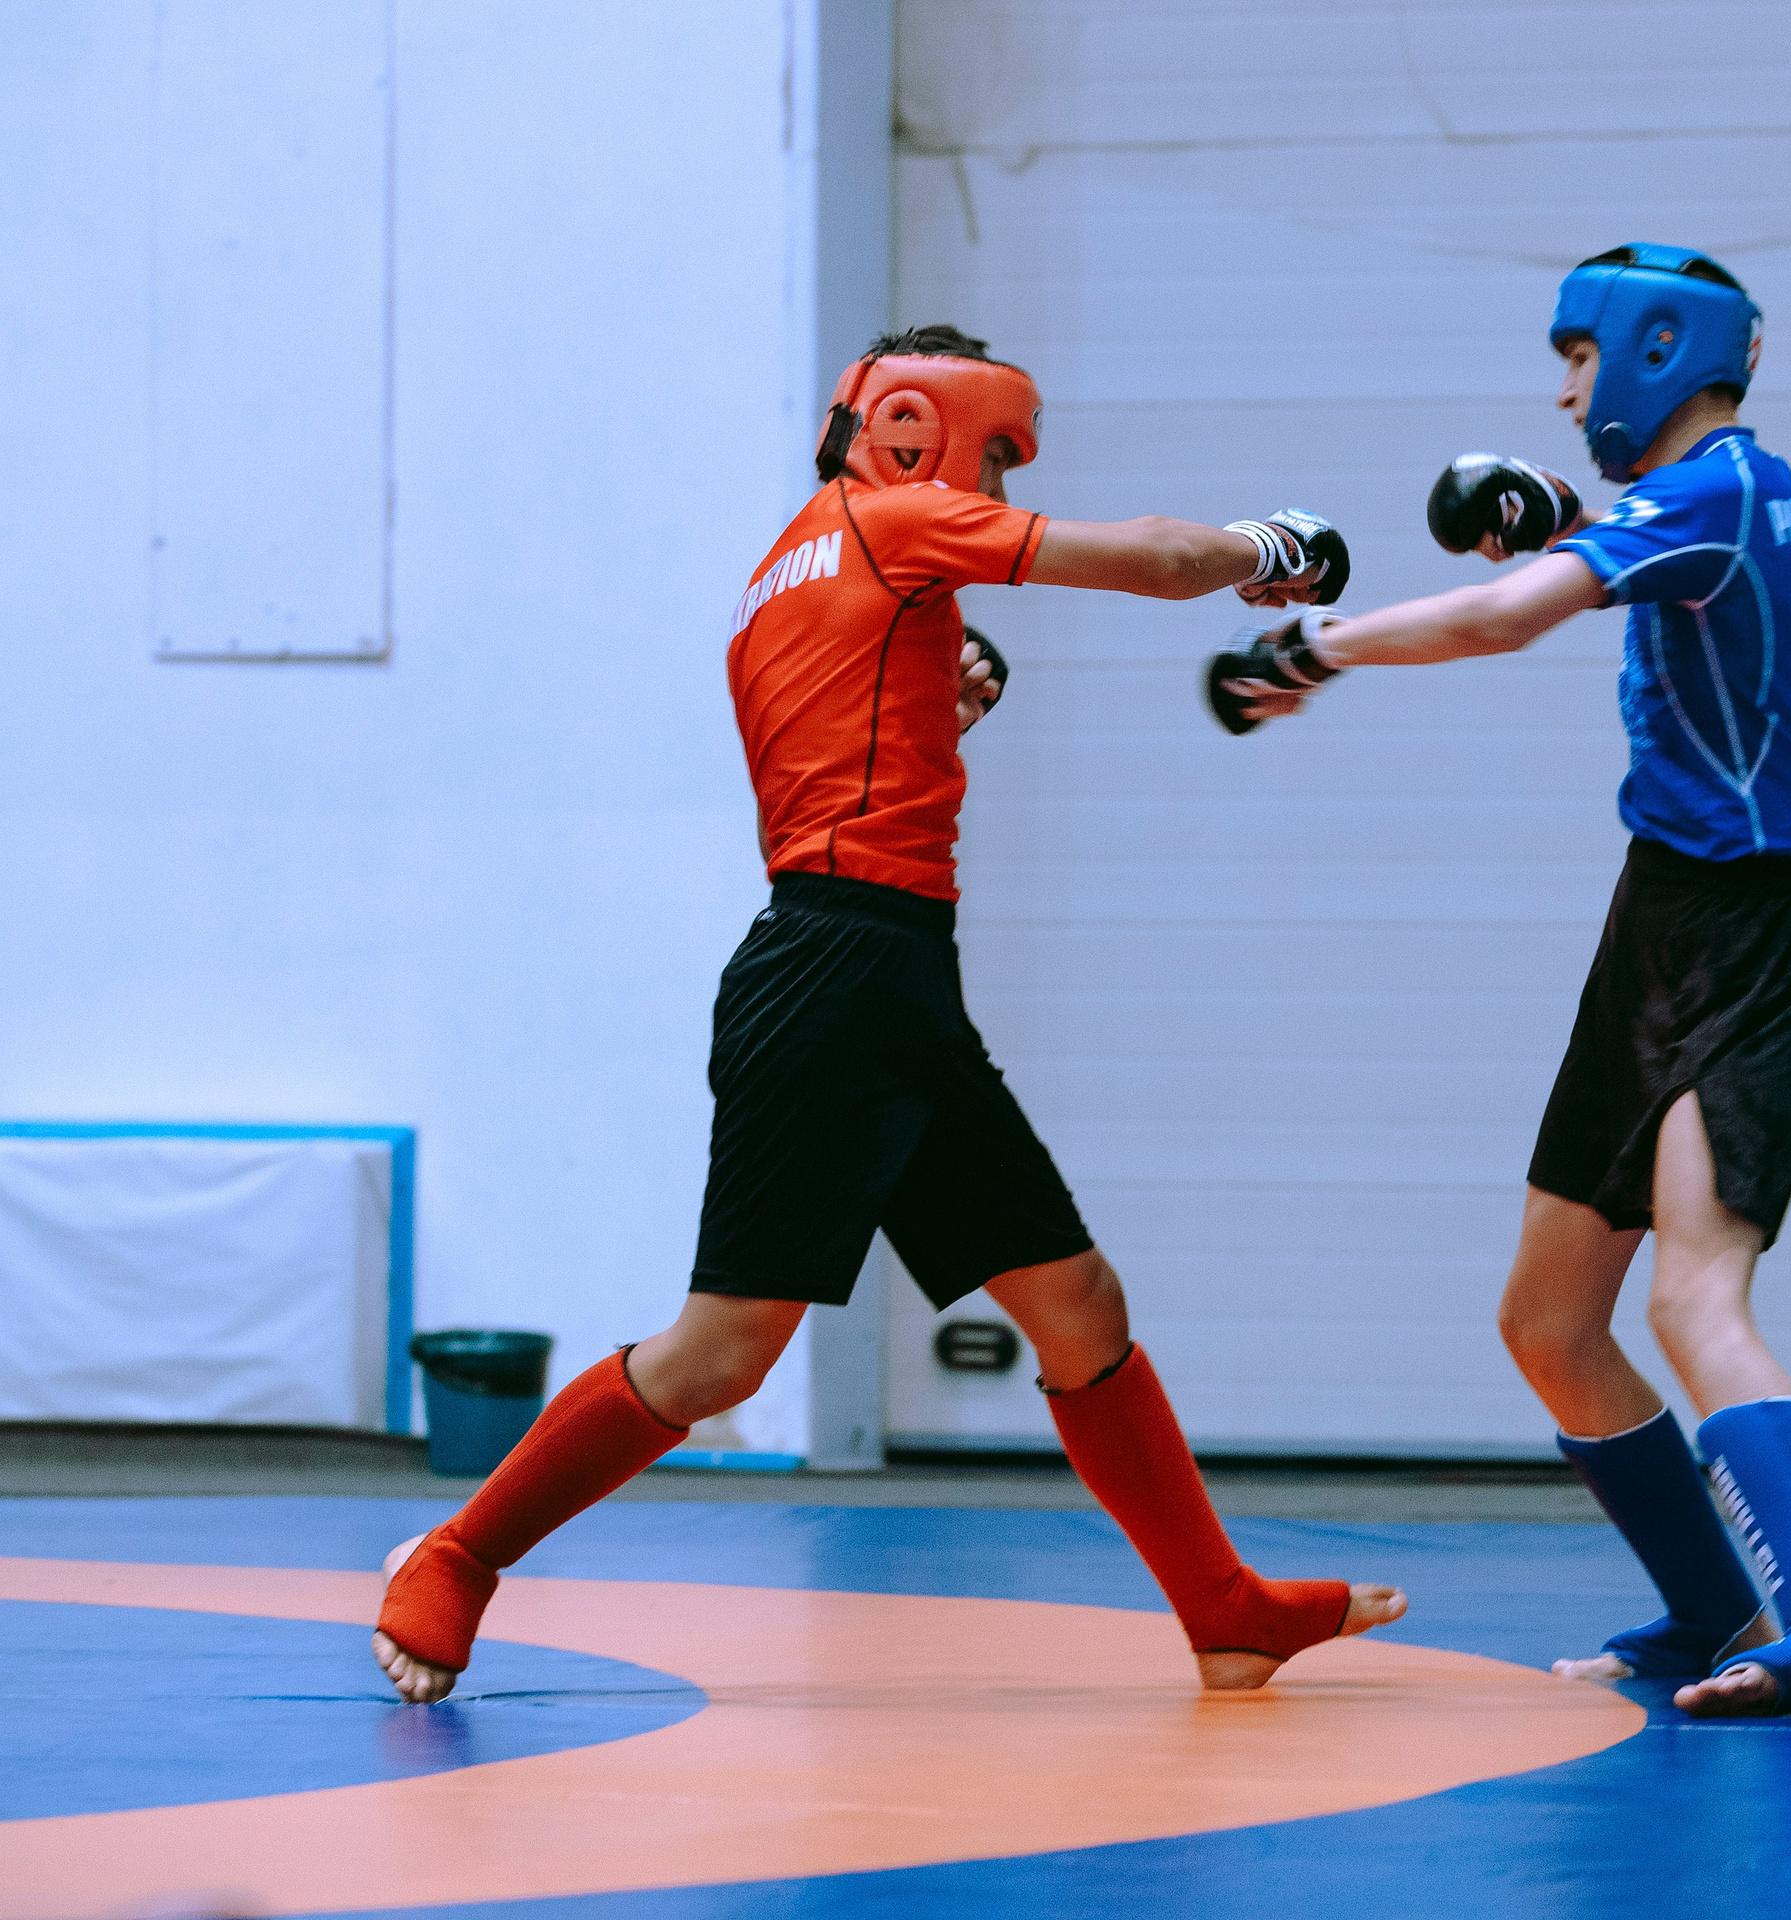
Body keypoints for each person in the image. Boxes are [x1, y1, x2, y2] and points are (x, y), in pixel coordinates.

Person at [374, 325, 1403, 1705]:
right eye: (990, 447)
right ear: (915, 424)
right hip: (838, 978)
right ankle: (459, 1553)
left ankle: (1223, 1607)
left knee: (1077, 1303)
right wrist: (1273, 546)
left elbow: (845, 759)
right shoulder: (887, 516)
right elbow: (1163, 560)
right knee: (721, 1353)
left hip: (891, 978)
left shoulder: (785, 563)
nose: (988, 475)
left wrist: (936, 702)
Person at [1201, 248, 1791, 1718]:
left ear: (1659, 347)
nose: (1565, 385)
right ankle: (1722, 1616)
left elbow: (1506, 617)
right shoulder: (1722, 496)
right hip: (1659, 927)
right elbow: (1631, 577)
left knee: (1696, 1299)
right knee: (1548, 1321)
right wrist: (1564, 523)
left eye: (1578, 356)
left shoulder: (1717, 488)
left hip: (1741, 936)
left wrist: (1311, 648)